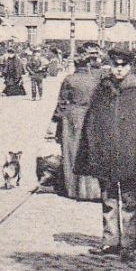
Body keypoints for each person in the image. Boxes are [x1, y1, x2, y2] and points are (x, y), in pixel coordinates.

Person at [76, 48, 136, 261]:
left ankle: (129, 244)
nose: (119, 69)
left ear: (130, 66)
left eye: (123, 65)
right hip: (106, 153)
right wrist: (93, 147)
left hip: (130, 155)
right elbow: (93, 119)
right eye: (116, 65)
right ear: (110, 66)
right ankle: (110, 241)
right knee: (108, 198)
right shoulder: (103, 89)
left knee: (130, 200)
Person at [47, 46, 104, 200]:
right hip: (90, 116)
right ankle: (91, 191)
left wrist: (54, 121)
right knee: (89, 152)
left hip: (71, 118)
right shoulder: (96, 80)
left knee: (71, 152)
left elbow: (61, 103)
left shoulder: (69, 80)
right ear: (88, 65)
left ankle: (72, 189)